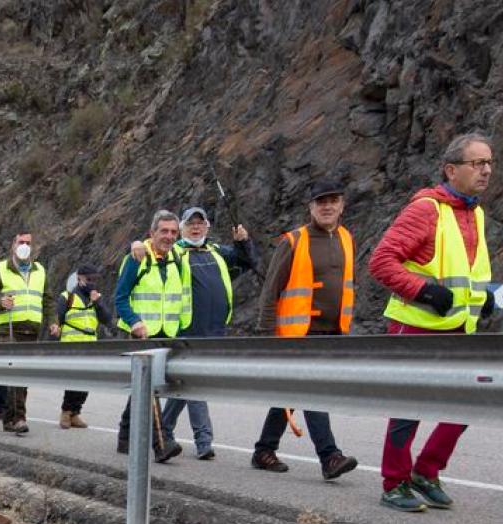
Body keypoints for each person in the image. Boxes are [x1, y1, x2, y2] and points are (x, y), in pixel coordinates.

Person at [368, 132, 495, 512]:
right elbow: (381, 262)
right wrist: (424, 292)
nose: (486, 170)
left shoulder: (475, 212)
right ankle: (394, 482)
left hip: (460, 328)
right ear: (451, 169)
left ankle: (426, 471)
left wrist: (482, 296)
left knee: (468, 403)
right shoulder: (426, 209)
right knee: (409, 406)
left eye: (489, 163)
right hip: (416, 324)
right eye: (478, 163)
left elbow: (465, 269)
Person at [251, 178, 361, 480]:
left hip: (333, 333)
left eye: (332, 201)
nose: (327, 206)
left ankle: (264, 450)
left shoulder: (347, 238)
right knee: (313, 390)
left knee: (292, 391)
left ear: (342, 205)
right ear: (310, 207)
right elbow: (270, 291)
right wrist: (268, 335)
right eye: (320, 201)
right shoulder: (294, 241)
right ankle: (330, 456)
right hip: (299, 334)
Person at [159, 206, 258, 459]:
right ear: (182, 227)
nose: (195, 227)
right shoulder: (175, 252)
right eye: (190, 223)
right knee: (195, 384)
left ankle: (163, 428)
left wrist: (243, 242)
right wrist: (139, 244)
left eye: (200, 223)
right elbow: (152, 251)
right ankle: (204, 441)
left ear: (207, 227)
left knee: (186, 385)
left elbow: (248, 262)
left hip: (214, 330)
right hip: (186, 330)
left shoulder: (217, 252)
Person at [113, 210, 189, 462]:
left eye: (173, 232)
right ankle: (161, 444)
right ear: (152, 233)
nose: (168, 236)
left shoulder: (178, 257)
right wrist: (135, 322)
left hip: (166, 333)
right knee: (151, 387)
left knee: (141, 388)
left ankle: (125, 437)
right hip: (141, 335)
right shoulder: (137, 258)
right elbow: (120, 298)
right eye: (163, 231)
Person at [0, 230, 51, 435]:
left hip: (32, 329)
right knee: (16, 373)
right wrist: (1, 303)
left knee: (22, 376)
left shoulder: (40, 270)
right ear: (13, 244)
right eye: (21, 242)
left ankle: (9, 418)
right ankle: (19, 418)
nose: (25, 246)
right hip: (8, 328)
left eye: (28, 242)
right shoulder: (1, 269)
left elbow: (48, 298)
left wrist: (53, 321)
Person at [51, 266, 111, 426]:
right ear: (79, 279)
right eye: (89, 279)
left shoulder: (96, 297)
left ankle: (75, 413)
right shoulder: (67, 297)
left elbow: (106, 319)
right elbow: (58, 318)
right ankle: (66, 412)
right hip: (71, 345)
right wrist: (56, 327)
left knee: (87, 381)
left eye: (95, 279)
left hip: (90, 345)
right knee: (74, 380)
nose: (92, 282)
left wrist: (97, 301)